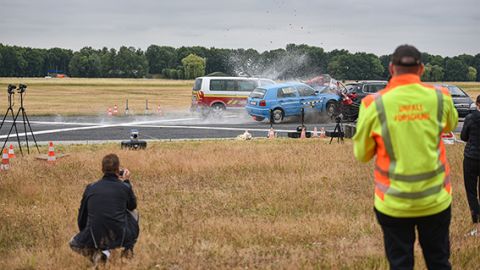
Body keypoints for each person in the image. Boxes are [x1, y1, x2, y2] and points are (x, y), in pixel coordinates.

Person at [353, 44, 458, 270]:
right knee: (439, 261)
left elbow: (362, 154)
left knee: (400, 265)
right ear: (421, 69)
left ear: (391, 68)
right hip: (435, 200)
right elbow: (450, 125)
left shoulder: (373, 104)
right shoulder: (441, 97)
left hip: (394, 202)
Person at [69, 154, 139, 265]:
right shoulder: (124, 187)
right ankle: (127, 249)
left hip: (94, 234)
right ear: (118, 170)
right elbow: (132, 206)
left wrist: (85, 233)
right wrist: (126, 182)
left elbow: (82, 216)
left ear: (102, 169)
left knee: (73, 242)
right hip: (120, 235)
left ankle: (97, 256)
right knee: (134, 213)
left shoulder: (91, 187)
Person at [461, 95, 480, 236]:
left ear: (477, 104)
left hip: (471, 158)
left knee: (471, 190)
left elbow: (463, 137)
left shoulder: (470, 118)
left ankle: (476, 217)